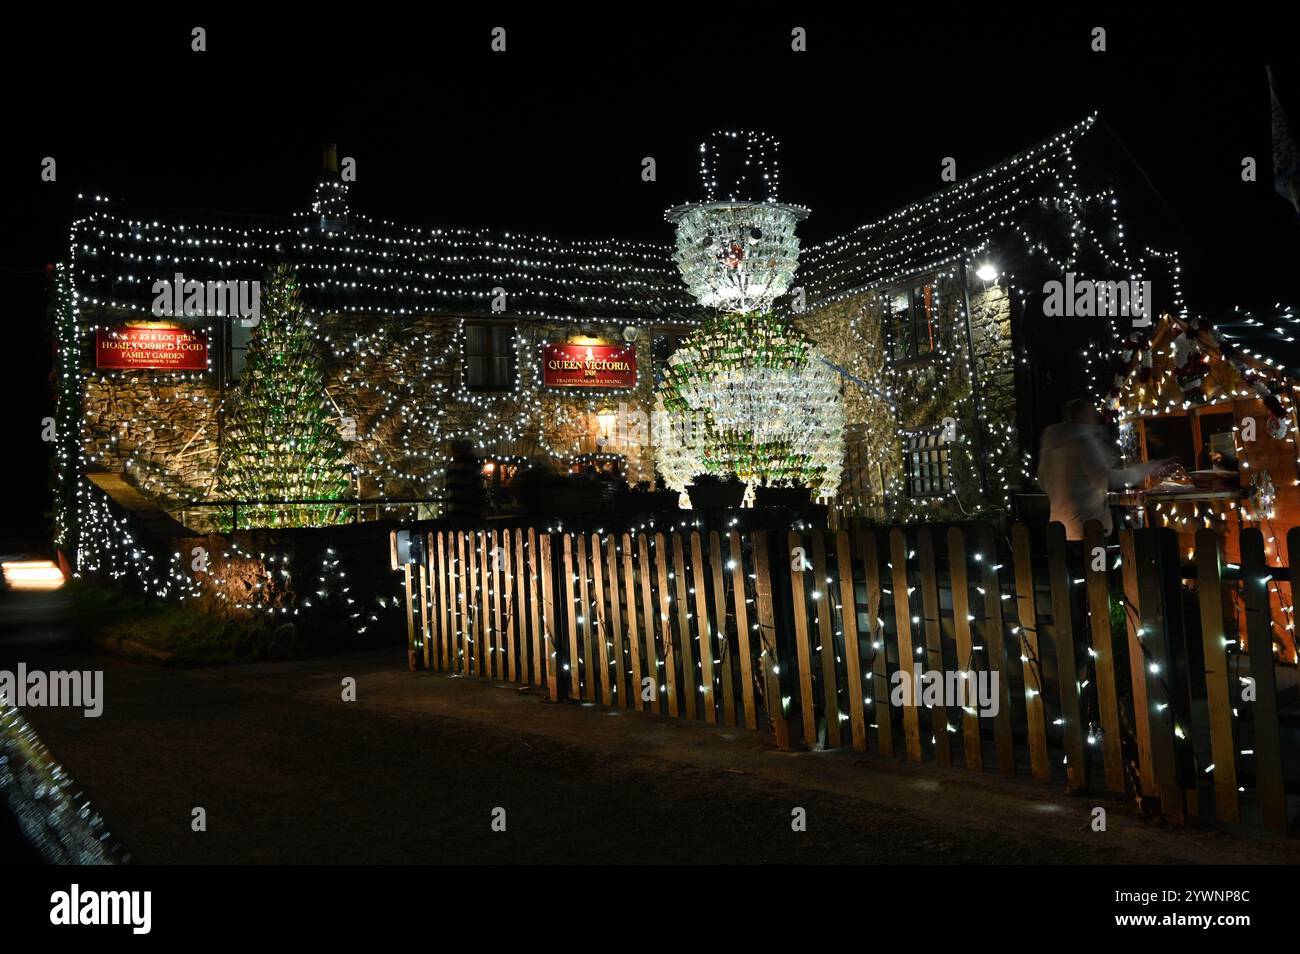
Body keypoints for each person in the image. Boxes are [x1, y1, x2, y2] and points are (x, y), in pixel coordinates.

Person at [1036, 399, 1174, 541]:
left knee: (1067, 564)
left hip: (1059, 528)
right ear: (1081, 415)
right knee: (1098, 562)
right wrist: (1149, 468)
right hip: (1089, 528)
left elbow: (1042, 483)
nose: (1095, 419)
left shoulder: (1051, 442)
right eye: (1092, 414)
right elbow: (1108, 478)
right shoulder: (1083, 441)